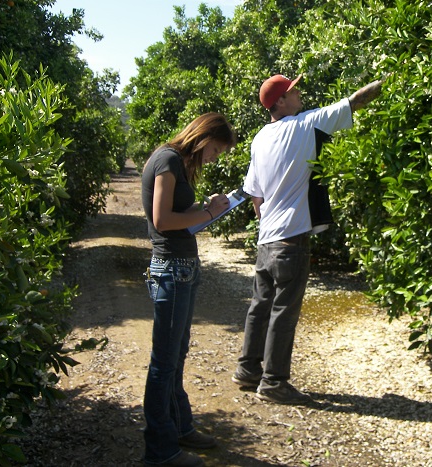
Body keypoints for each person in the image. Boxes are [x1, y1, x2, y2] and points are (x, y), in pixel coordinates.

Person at [231, 73, 384, 405]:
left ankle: (247, 370)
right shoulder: (304, 125)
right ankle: (273, 383)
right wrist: (392, 79)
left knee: (260, 308)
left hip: (267, 240)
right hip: (291, 241)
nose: (300, 94)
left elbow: (254, 195)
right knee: (283, 312)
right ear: (281, 102)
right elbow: (355, 101)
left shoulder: (259, 139)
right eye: (293, 91)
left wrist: (271, 218)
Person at [141, 113, 236, 466]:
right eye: (215, 149)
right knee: (163, 364)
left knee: (175, 357)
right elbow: (162, 221)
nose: (214, 157)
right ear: (202, 137)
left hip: (182, 269)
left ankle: (180, 427)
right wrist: (206, 212)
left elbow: (177, 215)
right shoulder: (166, 159)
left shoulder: (176, 163)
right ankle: (160, 451)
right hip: (172, 270)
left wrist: (205, 209)